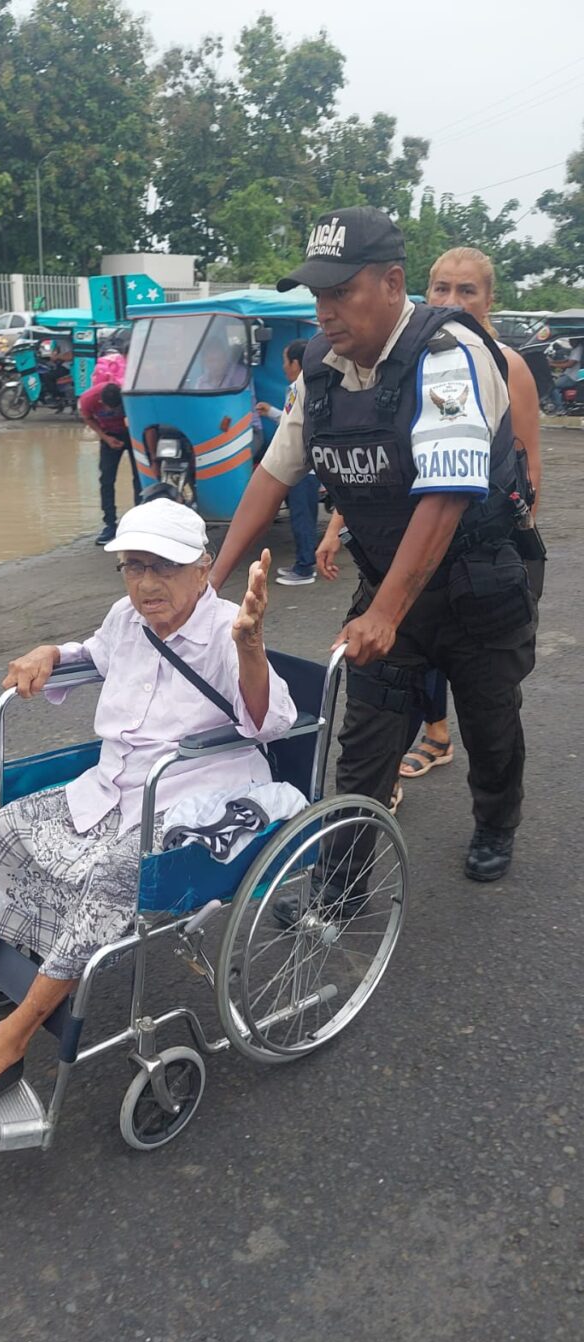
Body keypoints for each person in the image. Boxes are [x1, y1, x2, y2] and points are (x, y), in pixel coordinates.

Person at [0, 499, 296, 1130]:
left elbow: (269, 723)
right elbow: (96, 651)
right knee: (8, 828)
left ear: (202, 568)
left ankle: (14, 1037)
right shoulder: (126, 617)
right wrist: (50, 651)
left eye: (163, 566)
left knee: (113, 874)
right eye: (133, 567)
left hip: (198, 798)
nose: (145, 582)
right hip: (116, 785)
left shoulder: (227, 629)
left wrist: (251, 647)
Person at [210, 205, 539, 884]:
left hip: (478, 584)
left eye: (341, 292)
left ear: (393, 284)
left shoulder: (453, 356)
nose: (324, 311)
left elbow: (447, 493)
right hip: (392, 579)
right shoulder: (323, 373)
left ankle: (494, 823)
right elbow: (275, 473)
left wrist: (385, 613)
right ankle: (342, 883)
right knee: (364, 741)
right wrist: (210, 582)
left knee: (489, 724)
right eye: (318, 295)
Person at [395, 246, 543, 786]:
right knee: (408, 661)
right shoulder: (415, 358)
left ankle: (496, 814)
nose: (451, 300)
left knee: (488, 687)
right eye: (441, 289)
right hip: (416, 539)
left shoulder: (509, 365)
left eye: (466, 291)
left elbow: (526, 469)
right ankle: (435, 736)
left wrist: (513, 553)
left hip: (483, 552)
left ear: (488, 298)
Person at [257, 339, 320, 585]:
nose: (283, 366)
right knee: (305, 515)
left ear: (296, 363)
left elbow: (290, 426)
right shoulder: (313, 385)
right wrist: (272, 410)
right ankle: (305, 562)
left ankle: (305, 568)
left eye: (285, 360)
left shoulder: (297, 387)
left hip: (300, 465)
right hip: (311, 464)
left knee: (302, 517)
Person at [78, 380, 141, 545]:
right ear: (101, 401)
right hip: (108, 435)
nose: (111, 411)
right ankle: (109, 524)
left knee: (139, 478)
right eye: (108, 408)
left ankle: (140, 522)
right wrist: (106, 438)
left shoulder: (130, 397)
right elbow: (87, 418)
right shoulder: (88, 399)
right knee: (106, 479)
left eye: (115, 408)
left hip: (133, 434)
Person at [548, 337, 583, 413]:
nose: (570, 342)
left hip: (572, 376)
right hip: (569, 375)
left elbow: (570, 364)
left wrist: (553, 365)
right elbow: (567, 360)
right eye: (569, 340)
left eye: (572, 340)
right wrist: (553, 362)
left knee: (552, 387)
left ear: (577, 340)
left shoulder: (579, 349)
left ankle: (559, 408)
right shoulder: (576, 348)